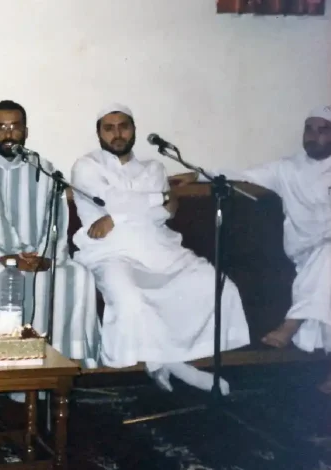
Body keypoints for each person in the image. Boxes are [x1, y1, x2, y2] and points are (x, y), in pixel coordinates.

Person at [69, 103, 250, 394]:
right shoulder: (86, 166)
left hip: (159, 247)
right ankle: (176, 366)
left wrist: (116, 217)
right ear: (99, 133)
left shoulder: (153, 168)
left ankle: (170, 360)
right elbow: (113, 201)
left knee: (214, 283)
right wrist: (159, 197)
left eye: (123, 126)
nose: (117, 134)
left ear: (134, 130)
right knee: (129, 299)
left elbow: (164, 213)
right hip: (111, 252)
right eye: (109, 128)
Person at [171, 105, 331, 393]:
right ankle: (294, 326)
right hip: (304, 253)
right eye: (309, 129)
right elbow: (239, 174)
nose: (313, 136)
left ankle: (293, 325)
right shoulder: (287, 169)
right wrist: (198, 175)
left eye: (322, 130)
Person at [0, 99, 101, 369]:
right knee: (1, 276)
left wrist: (44, 256)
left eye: (15, 127)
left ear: (25, 131)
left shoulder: (44, 169)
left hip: (34, 253)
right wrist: (6, 257)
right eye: (1, 127)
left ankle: (60, 364)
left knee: (77, 275)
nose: (8, 134)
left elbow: (57, 219)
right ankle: (10, 367)